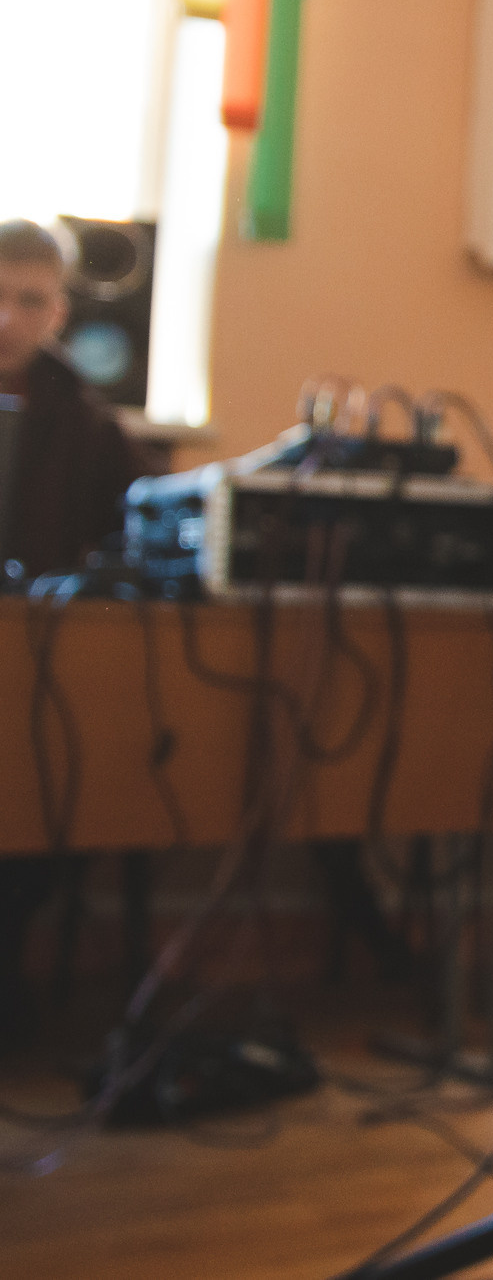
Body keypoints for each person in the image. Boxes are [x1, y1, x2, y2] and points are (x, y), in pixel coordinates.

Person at [0, 218, 143, 1038]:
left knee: (70, 780)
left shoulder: (91, 426)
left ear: (59, 313)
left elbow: (128, 540)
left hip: (37, 670)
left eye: (30, 301)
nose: (8, 319)